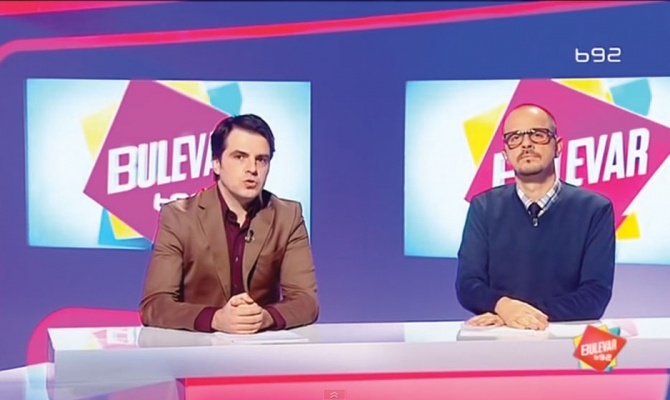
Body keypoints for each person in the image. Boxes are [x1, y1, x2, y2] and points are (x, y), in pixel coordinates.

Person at [140, 114, 318, 334]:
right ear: (216, 163)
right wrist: (214, 319)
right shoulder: (179, 217)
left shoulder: (288, 216)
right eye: (240, 157)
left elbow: (306, 301)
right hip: (196, 349)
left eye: (261, 159)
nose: (252, 169)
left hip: (261, 348)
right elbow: (154, 305)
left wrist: (264, 318)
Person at [455, 104, 615, 330]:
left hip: (565, 339)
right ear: (505, 154)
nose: (526, 144)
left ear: (558, 146)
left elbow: (594, 295)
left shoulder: (595, 209)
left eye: (537, 134)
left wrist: (515, 315)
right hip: (498, 339)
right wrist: (504, 307)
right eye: (515, 138)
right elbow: (468, 285)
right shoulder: (484, 207)